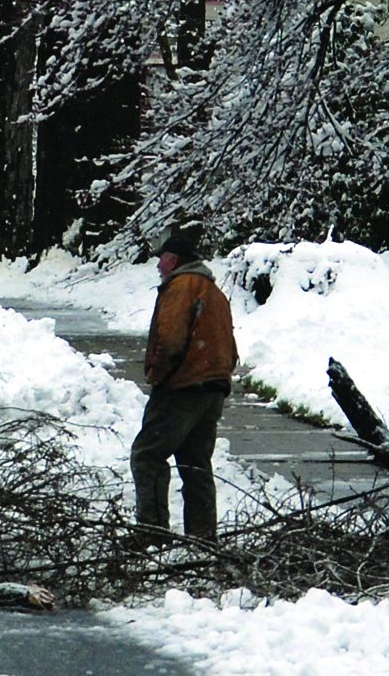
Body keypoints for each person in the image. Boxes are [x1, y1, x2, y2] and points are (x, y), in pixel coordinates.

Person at [130, 225, 237, 542]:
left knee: (147, 455)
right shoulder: (213, 291)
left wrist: (159, 377)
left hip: (184, 386)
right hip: (213, 387)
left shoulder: (181, 287)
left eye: (161, 259)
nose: (158, 265)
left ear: (173, 260)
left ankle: (152, 533)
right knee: (195, 464)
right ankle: (203, 538)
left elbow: (171, 339)